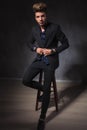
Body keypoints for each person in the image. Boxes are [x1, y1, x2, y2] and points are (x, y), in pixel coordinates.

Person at [22, 2, 69, 130]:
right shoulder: (34, 29)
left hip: (51, 61)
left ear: (46, 15)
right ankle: (45, 90)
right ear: (35, 17)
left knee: (48, 85)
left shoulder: (55, 28)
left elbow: (66, 44)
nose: (40, 19)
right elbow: (28, 42)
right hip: (39, 59)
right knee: (25, 80)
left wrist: (53, 51)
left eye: (42, 16)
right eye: (38, 17)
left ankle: (42, 118)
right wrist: (35, 48)